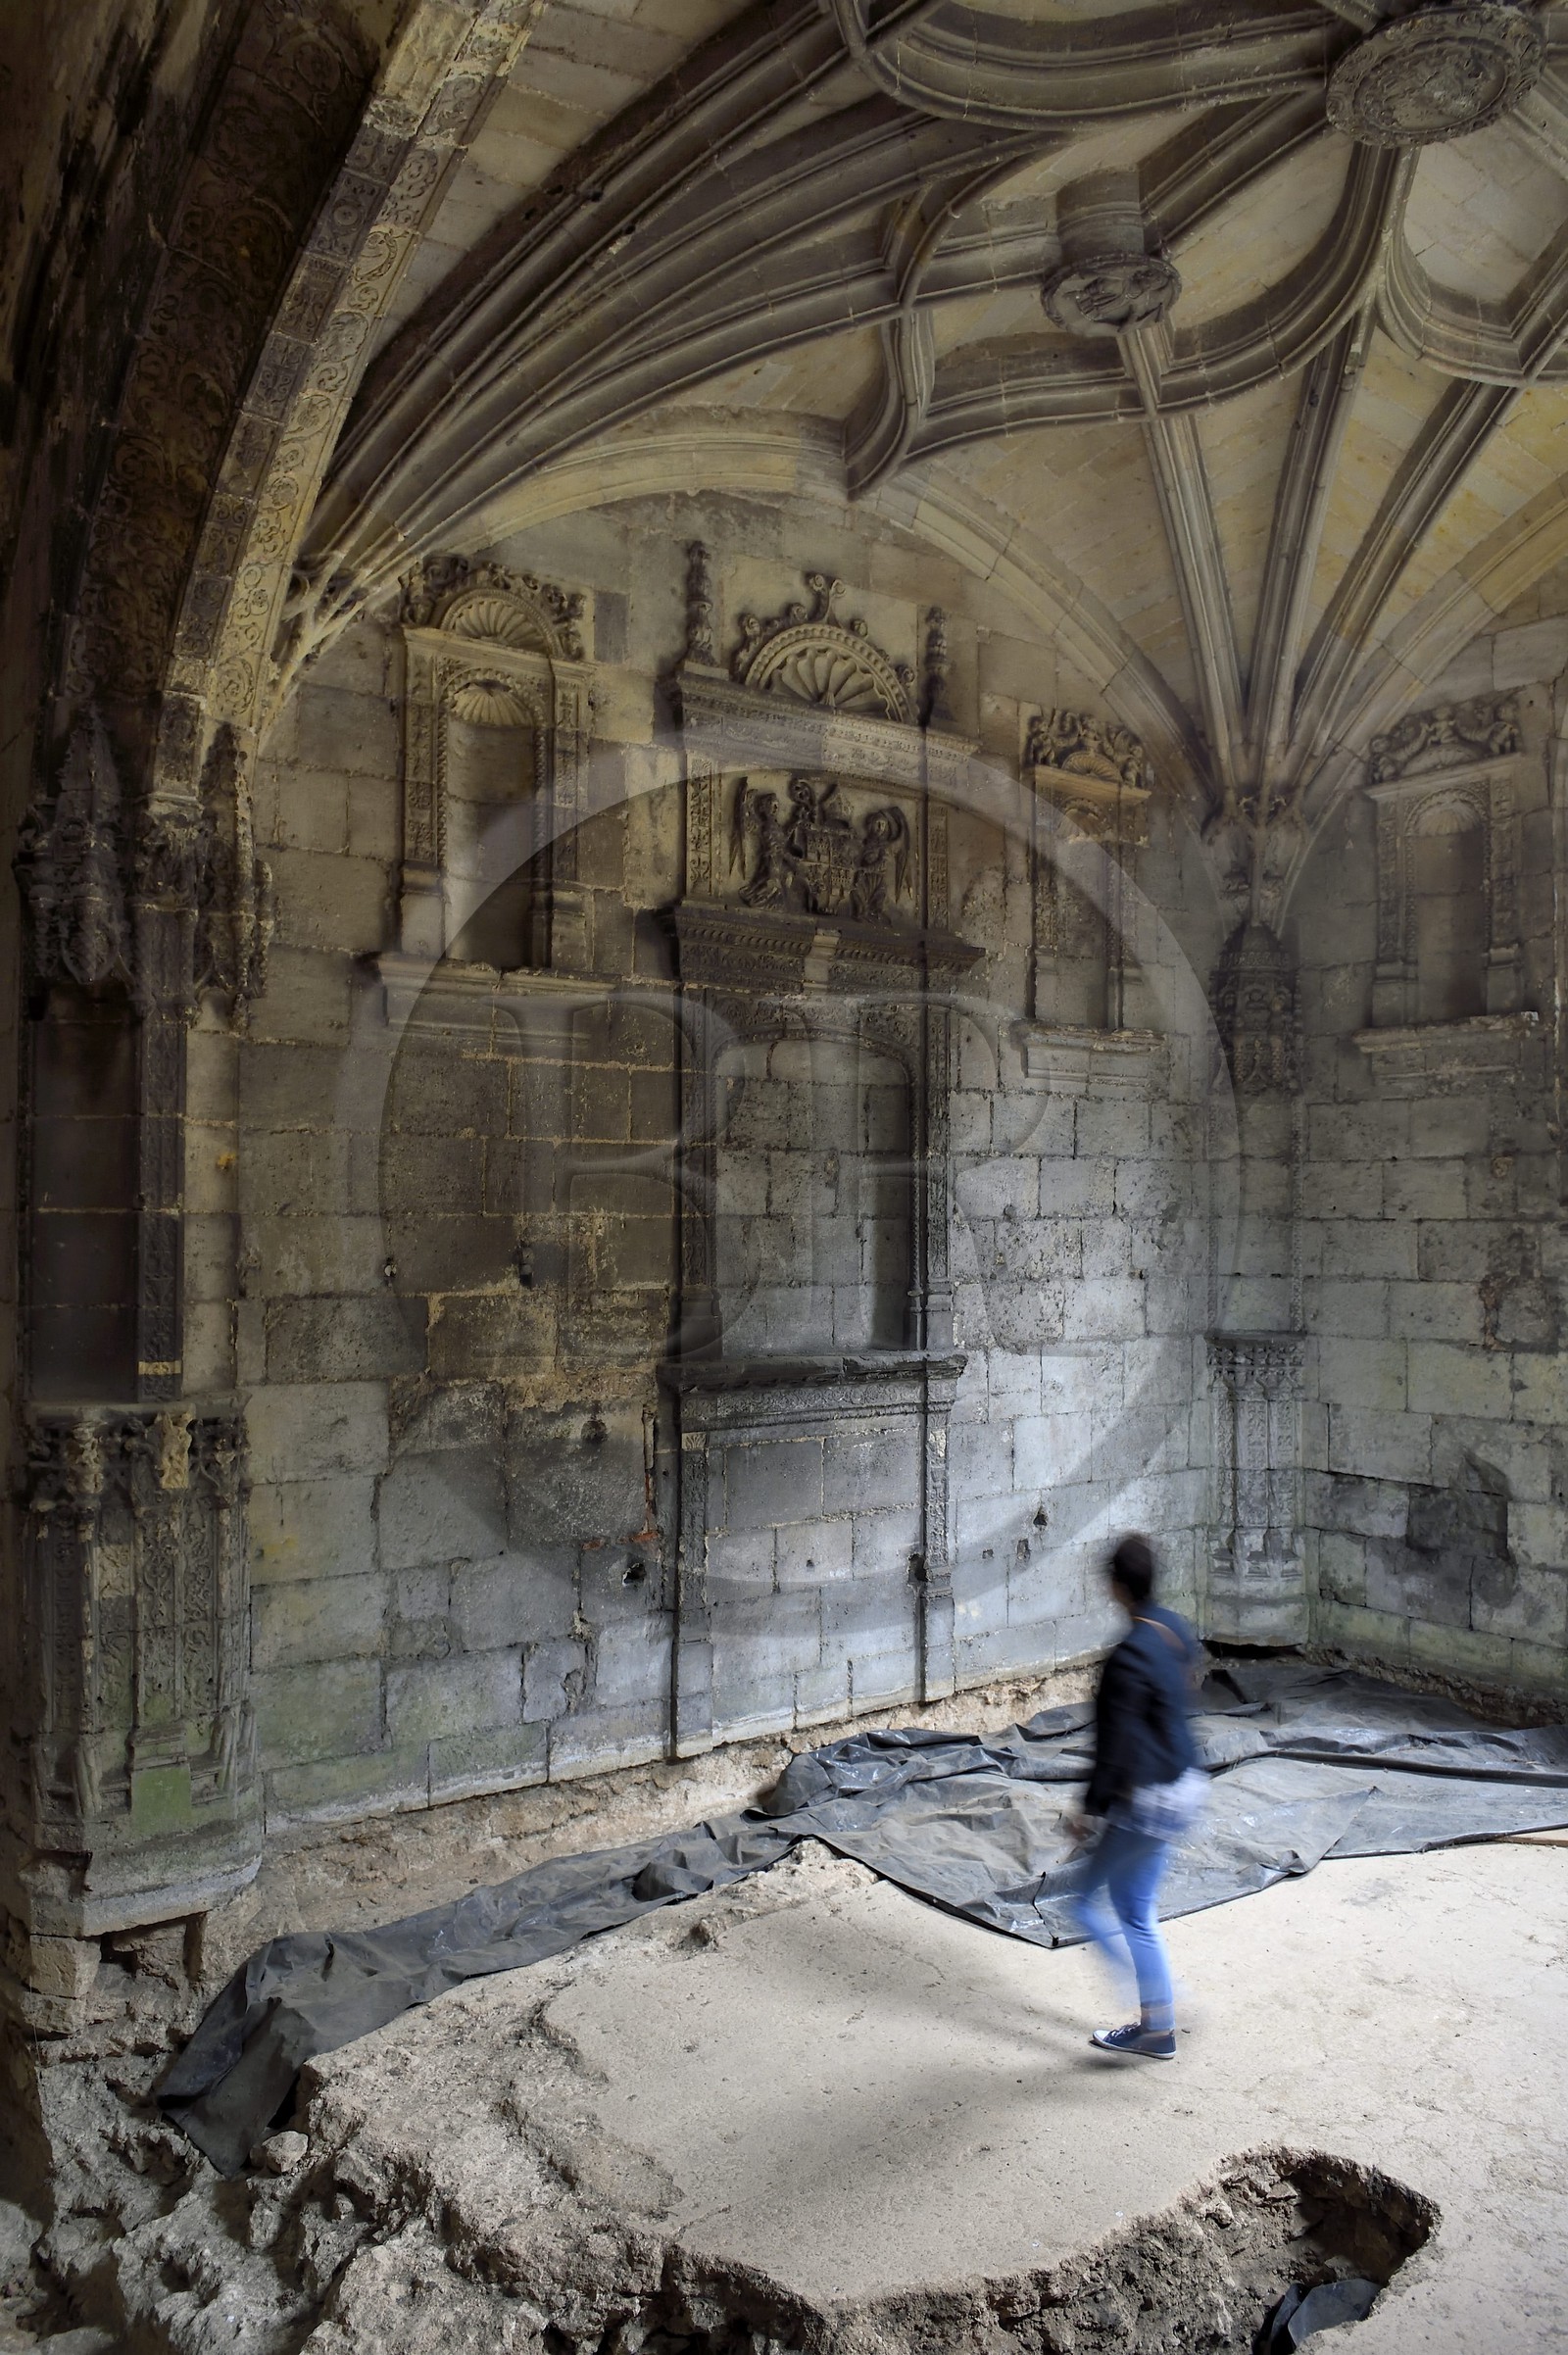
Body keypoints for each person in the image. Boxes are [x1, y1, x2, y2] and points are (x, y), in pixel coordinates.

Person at [1062, 1534, 1206, 2061]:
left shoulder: (1123, 1660)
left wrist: (1089, 1812)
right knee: (1136, 1909)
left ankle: (1159, 2011)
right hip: (1188, 1785)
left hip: (1151, 1802)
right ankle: (1158, 2024)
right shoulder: (1172, 1628)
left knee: (1083, 1904)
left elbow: (1114, 1749)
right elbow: (1185, 1683)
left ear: (1115, 1587)